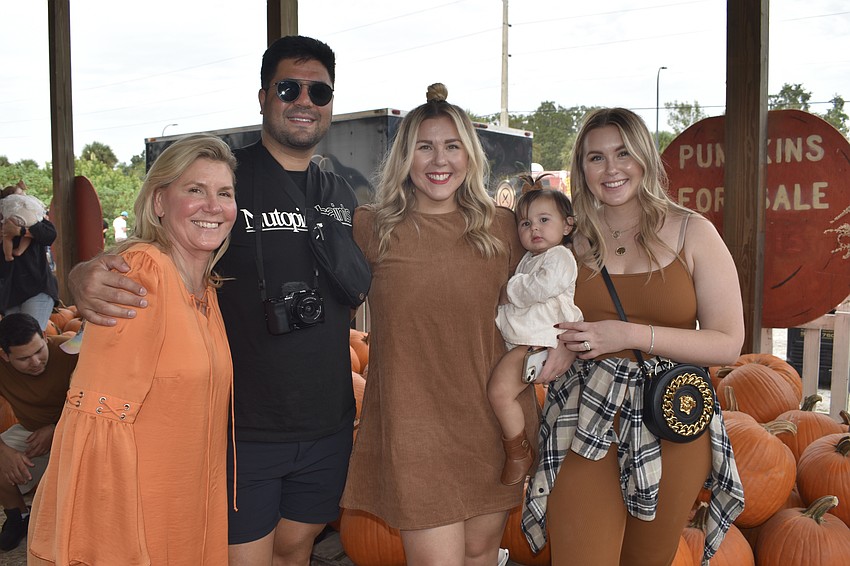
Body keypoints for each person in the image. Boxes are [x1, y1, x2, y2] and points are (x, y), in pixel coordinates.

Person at [64, 36, 359, 566]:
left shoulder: (339, 191)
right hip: (244, 425)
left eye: (319, 91)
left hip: (328, 419)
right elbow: (163, 239)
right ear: (264, 96)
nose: (304, 101)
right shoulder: (230, 177)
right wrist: (83, 274)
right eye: (289, 87)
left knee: (295, 548)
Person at [341, 83, 573, 566]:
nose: (438, 160)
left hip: (493, 423)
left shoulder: (504, 227)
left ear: (469, 155)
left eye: (451, 146)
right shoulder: (372, 226)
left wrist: (565, 345)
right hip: (413, 427)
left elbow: (565, 281)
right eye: (424, 147)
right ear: (405, 156)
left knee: (481, 552)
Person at [521, 107, 745, 566]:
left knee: (648, 559)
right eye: (596, 157)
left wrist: (631, 334)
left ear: (644, 156)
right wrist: (560, 341)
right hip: (586, 416)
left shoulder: (692, 232)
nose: (612, 168)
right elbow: (538, 311)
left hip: (669, 416)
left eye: (623, 153)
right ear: (582, 168)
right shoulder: (569, 239)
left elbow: (727, 342)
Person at [27, 133, 238, 564]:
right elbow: (99, 417)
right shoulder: (142, 274)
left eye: (225, 193)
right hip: (139, 522)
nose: (213, 205)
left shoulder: (206, 289)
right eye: (195, 190)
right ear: (159, 202)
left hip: (187, 507)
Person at [489, 183, 583, 486]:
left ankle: (518, 451)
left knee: (499, 393)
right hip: (529, 339)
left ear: (567, 225)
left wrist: (507, 290)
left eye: (545, 220)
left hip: (539, 340)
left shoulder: (560, 257)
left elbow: (540, 287)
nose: (534, 229)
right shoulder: (530, 258)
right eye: (526, 223)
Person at [0, 313, 78, 552]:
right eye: (24, 358)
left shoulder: (70, 351)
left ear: (45, 337)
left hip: (78, 429)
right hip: (31, 432)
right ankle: (18, 516)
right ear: (4, 355)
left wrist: (56, 428)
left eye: (38, 351)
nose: (35, 362)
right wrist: (3, 451)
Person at [0, 187, 59, 332]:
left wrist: (21, 231)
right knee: (14, 341)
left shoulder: (33, 216)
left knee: (31, 335)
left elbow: (50, 235)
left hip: (36, 286)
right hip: (9, 292)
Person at [0, 181, 46, 262]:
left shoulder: (5, 204)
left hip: (30, 269)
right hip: (32, 220)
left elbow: (50, 234)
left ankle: (8, 256)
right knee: (27, 234)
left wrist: (20, 231)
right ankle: (19, 250)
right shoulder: (27, 203)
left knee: (7, 237)